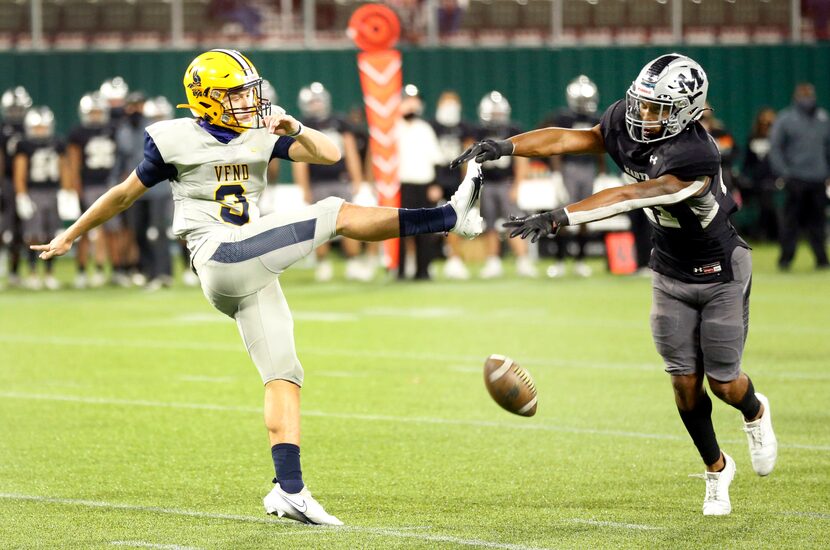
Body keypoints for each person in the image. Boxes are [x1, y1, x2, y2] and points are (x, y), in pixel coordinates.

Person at [32, 48, 483, 526]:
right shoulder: (173, 139)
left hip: (250, 264)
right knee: (332, 212)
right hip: (219, 255)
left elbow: (328, 153)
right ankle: (449, 218)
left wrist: (298, 129)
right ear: (205, 98)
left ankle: (290, 491)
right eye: (235, 94)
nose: (249, 101)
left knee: (284, 372)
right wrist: (71, 233)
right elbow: (123, 195)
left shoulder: (259, 132)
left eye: (248, 91)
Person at [452, 53, 777, 516]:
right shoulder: (626, 119)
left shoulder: (695, 155)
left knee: (724, 384)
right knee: (684, 383)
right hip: (669, 268)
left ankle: (755, 412)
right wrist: (507, 146)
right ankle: (717, 468)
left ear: (687, 111)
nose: (643, 116)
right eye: (642, 104)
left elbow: (629, 195)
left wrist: (560, 216)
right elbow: (574, 138)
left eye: (658, 109)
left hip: (719, 269)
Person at [294, 82, 371, 282]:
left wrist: (357, 178)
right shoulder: (302, 125)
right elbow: (299, 160)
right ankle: (323, 264)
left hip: (340, 180)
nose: (316, 105)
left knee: (349, 222)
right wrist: (303, 187)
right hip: (317, 182)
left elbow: (351, 151)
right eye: (312, 102)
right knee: (320, 226)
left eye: (318, 101)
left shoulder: (339, 122)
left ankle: (353, 262)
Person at [537, 76, 605, 278]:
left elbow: (601, 147)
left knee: (586, 215)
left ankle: (580, 260)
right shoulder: (563, 118)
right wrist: (557, 173)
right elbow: (555, 144)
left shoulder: (596, 119)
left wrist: (602, 173)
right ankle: (559, 260)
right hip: (569, 168)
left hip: (588, 168)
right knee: (564, 214)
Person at [470, 91, 536, 279]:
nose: (496, 116)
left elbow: (521, 159)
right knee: (488, 225)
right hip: (486, 183)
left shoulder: (512, 129)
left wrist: (517, 184)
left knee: (513, 222)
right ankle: (493, 262)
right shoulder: (478, 132)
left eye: (499, 113)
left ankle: (523, 260)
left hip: (506, 183)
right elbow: (470, 160)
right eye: (493, 113)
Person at [768, 82, 830, 271]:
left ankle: (821, 259)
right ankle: (786, 259)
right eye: (803, 95)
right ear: (796, 97)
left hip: (818, 179)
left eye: (809, 95)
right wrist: (785, 174)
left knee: (818, 221)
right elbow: (776, 148)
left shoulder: (823, 118)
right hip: (795, 179)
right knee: (791, 222)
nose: (807, 99)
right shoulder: (786, 119)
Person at [67, 92, 117, 289]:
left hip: (109, 186)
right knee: (84, 231)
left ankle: (104, 269)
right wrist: (75, 186)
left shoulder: (112, 129)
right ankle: (82, 271)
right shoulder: (78, 133)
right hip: (88, 185)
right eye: (92, 112)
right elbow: (73, 161)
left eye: (98, 112)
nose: (96, 116)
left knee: (110, 231)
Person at [15, 106, 68, 290]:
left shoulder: (57, 143)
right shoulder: (25, 145)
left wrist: (66, 191)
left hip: (53, 190)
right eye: (37, 127)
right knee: (33, 235)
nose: (40, 131)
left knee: (52, 234)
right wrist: (21, 195)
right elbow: (19, 172)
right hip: (34, 192)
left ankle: (49, 273)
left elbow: (64, 168)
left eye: (43, 127)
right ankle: (31, 272)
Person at [397, 85, 444, 280]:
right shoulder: (392, 129)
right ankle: (399, 270)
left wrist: (436, 185)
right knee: (398, 230)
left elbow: (437, 160)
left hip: (423, 186)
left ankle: (423, 270)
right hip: (400, 186)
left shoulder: (425, 129)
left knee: (425, 231)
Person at [431, 90, 473, 280]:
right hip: (433, 179)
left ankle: (454, 260)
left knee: (455, 221)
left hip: (455, 180)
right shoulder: (431, 126)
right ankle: (425, 260)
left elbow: (470, 155)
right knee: (426, 220)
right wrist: (431, 181)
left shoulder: (464, 127)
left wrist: (468, 182)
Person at [0, 86, 31, 289]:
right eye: (12, 109)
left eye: (19, 109)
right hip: (7, 181)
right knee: (4, 227)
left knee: (22, 230)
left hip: (31, 184)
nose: (16, 113)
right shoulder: (3, 129)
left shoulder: (31, 128)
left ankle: (15, 270)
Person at [741, 107, 779, 241]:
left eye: (769, 123)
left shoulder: (778, 139)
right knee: (764, 203)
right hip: (757, 181)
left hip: (774, 179)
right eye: (763, 122)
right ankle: (766, 233)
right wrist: (745, 178)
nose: (766, 125)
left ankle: (767, 232)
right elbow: (747, 162)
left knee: (767, 203)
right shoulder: (753, 138)